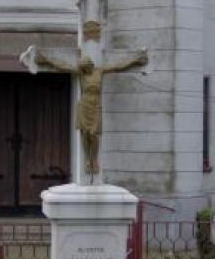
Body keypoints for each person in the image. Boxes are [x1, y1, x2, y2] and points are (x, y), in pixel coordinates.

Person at [34, 49, 148, 182]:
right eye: (83, 68)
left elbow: (118, 67)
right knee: (85, 134)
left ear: (90, 65)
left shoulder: (99, 71)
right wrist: (46, 60)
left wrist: (135, 60)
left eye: (86, 67)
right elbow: (63, 66)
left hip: (95, 106)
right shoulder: (81, 74)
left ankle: (94, 159)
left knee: (94, 134)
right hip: (84, 106)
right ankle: (87, 160)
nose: (85, 70)